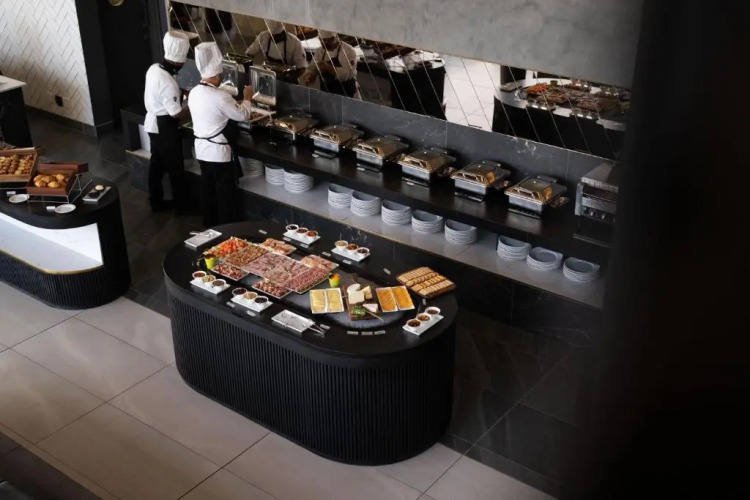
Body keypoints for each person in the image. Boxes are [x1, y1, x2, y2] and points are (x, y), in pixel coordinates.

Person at [188, 42, 254, 227]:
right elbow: (243, 115)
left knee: (208, 191)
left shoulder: (194, 92)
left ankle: (210, 225)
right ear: (217, 75)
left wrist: (236, 102)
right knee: (224, 194)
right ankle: (226, 228)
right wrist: (247, 98)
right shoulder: (220, 96)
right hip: (219, 153)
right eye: (221, 76)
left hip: (202, 151)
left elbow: (216, 108)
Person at [143, 31, 191, 213]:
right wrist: (194, 105)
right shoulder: (168, 82)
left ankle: (156, 201)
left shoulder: (154, 68)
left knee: (157, 164)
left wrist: (183, 91)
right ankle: (182, 207)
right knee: (175, 167)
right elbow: (176, 113)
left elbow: (165, 90)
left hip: (153, 123)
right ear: (179, 62)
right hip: (164, 127)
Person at [301, 30, 359, 98]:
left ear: (334, 38)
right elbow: (312, 67)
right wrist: (309, 76)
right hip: (327, 90)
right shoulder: (320, 51)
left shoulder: (348, 50)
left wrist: (329, 68)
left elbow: (349, 74)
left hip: (346, 90)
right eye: (321, 40)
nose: (323, 43)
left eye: (326, 41)